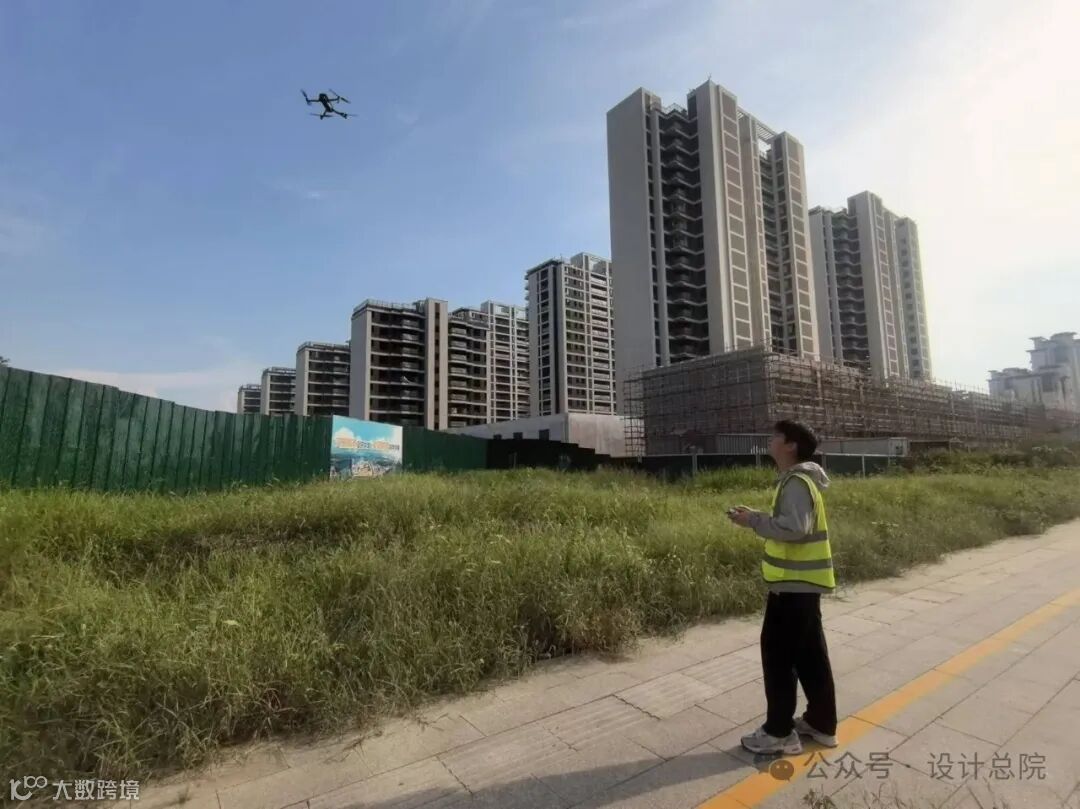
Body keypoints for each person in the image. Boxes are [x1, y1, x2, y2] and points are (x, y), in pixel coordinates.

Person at [728, 420, 838, 755]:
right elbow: (793, 523)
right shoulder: (800, 480)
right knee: (809, 656)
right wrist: (757, 516)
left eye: (776, 436)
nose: (770, 439)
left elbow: (794, 529)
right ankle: (821, 723)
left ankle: (778, 732)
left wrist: (753, 521)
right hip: (801, 586)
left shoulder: (796, 481)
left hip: (792, 587)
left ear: (791, 445)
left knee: (778, 656)